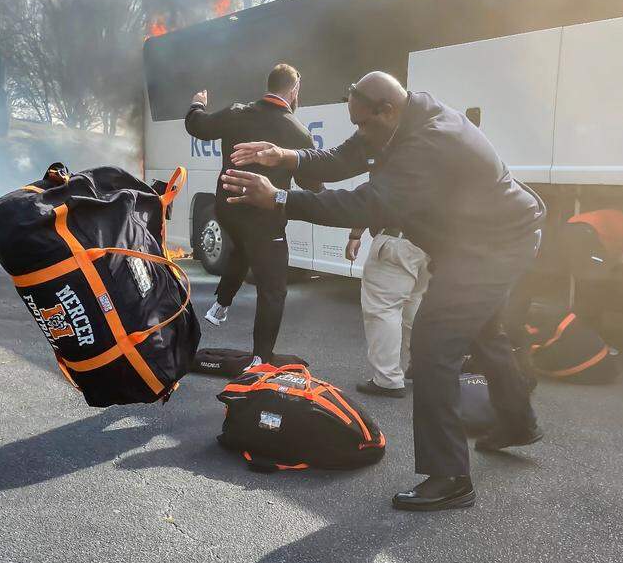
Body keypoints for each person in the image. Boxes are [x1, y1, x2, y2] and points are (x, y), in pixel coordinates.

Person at [222, 71, 545, 512]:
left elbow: (365, 204)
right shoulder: (401, 120)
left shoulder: (429, 142)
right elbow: (342, 158)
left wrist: (279, 200)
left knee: (433, 346)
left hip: (493, 247)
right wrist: (286, 156)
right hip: (480, 241)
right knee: (484, 333)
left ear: (386, 110)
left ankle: (450, 478)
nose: (359, 133)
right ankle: (517, 422)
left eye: (362, 123)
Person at [184, 63, 321, 368]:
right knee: (273, 288)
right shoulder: (296, 131)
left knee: (244, 245)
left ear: (268, 85)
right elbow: (313, 184)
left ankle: (220, 304)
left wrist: (197, 102)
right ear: (294, 89)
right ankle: (260, 358)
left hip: (228, 209)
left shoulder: (236, 112)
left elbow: (198, 126)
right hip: (264, 216)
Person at [345, 224, 430, 398]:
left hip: (397, 241)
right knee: (416, 307)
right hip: (430, 244)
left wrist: (355, 235)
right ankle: (421, 366)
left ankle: (387, 379)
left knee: (383, 309)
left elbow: (372, 198)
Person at [561, 209, 623, 331]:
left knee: (587, 287)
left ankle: (580, 335)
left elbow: (613, 266)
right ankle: (583, 338)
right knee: (594, 290)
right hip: (586, 231)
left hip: (570, 228)